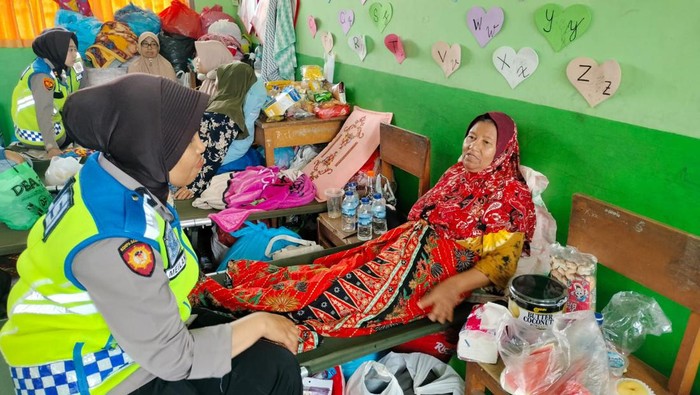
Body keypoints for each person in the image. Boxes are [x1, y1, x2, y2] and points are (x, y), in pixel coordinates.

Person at [0, 74, 302, 395]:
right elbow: (173, 358)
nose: (203, 146)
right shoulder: (118, 238)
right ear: (150, 146)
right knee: (263, 351)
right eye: (188, 141)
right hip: (90, 374)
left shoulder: (116, 173)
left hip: (127, 339)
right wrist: (258, 322)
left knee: (272, 359)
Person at [191, 112, 537, 351]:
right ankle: (225, 295)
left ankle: (240, 312)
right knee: (331, 268)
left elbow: (502, 264)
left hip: (437, 272)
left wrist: (452, 288)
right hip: (408, 245)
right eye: (471, 137)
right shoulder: (456, 175)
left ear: (503, 151)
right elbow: (422, 220)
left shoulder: (510, 195)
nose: (473, 146)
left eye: (486, 143)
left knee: (346, 296)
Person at [174, 62, 257, 200]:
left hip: (195, 169)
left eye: (220, 77)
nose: (216, 82)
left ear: (230, 81)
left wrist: (194, 186)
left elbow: (215, 154)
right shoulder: (221, 102)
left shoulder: (226, 114)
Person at [11, 27, 83, 158]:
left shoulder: (51, 65)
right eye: (69, 50)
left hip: (35, 127)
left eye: (75, 49)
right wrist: (52, 148)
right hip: (37, 136)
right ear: (57, 49)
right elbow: (44, 112)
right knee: (83, 133)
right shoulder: (42, 76)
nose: (74, 54)